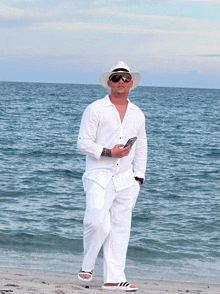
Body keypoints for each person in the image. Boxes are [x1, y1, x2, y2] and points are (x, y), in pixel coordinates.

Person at [77, 61, 147, 291]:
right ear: (109, 82)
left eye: (125, 78)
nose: (121, 82)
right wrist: (109, 152)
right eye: (116, 78)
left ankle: (114, 279)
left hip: (127, 179)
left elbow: (142, 146)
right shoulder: (95, 109)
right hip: (99, 174)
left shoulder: (137, 114)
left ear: (132, 83)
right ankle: (87, 264)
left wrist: (139, 177)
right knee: (97, 221)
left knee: (120, 229)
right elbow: (83, 142)